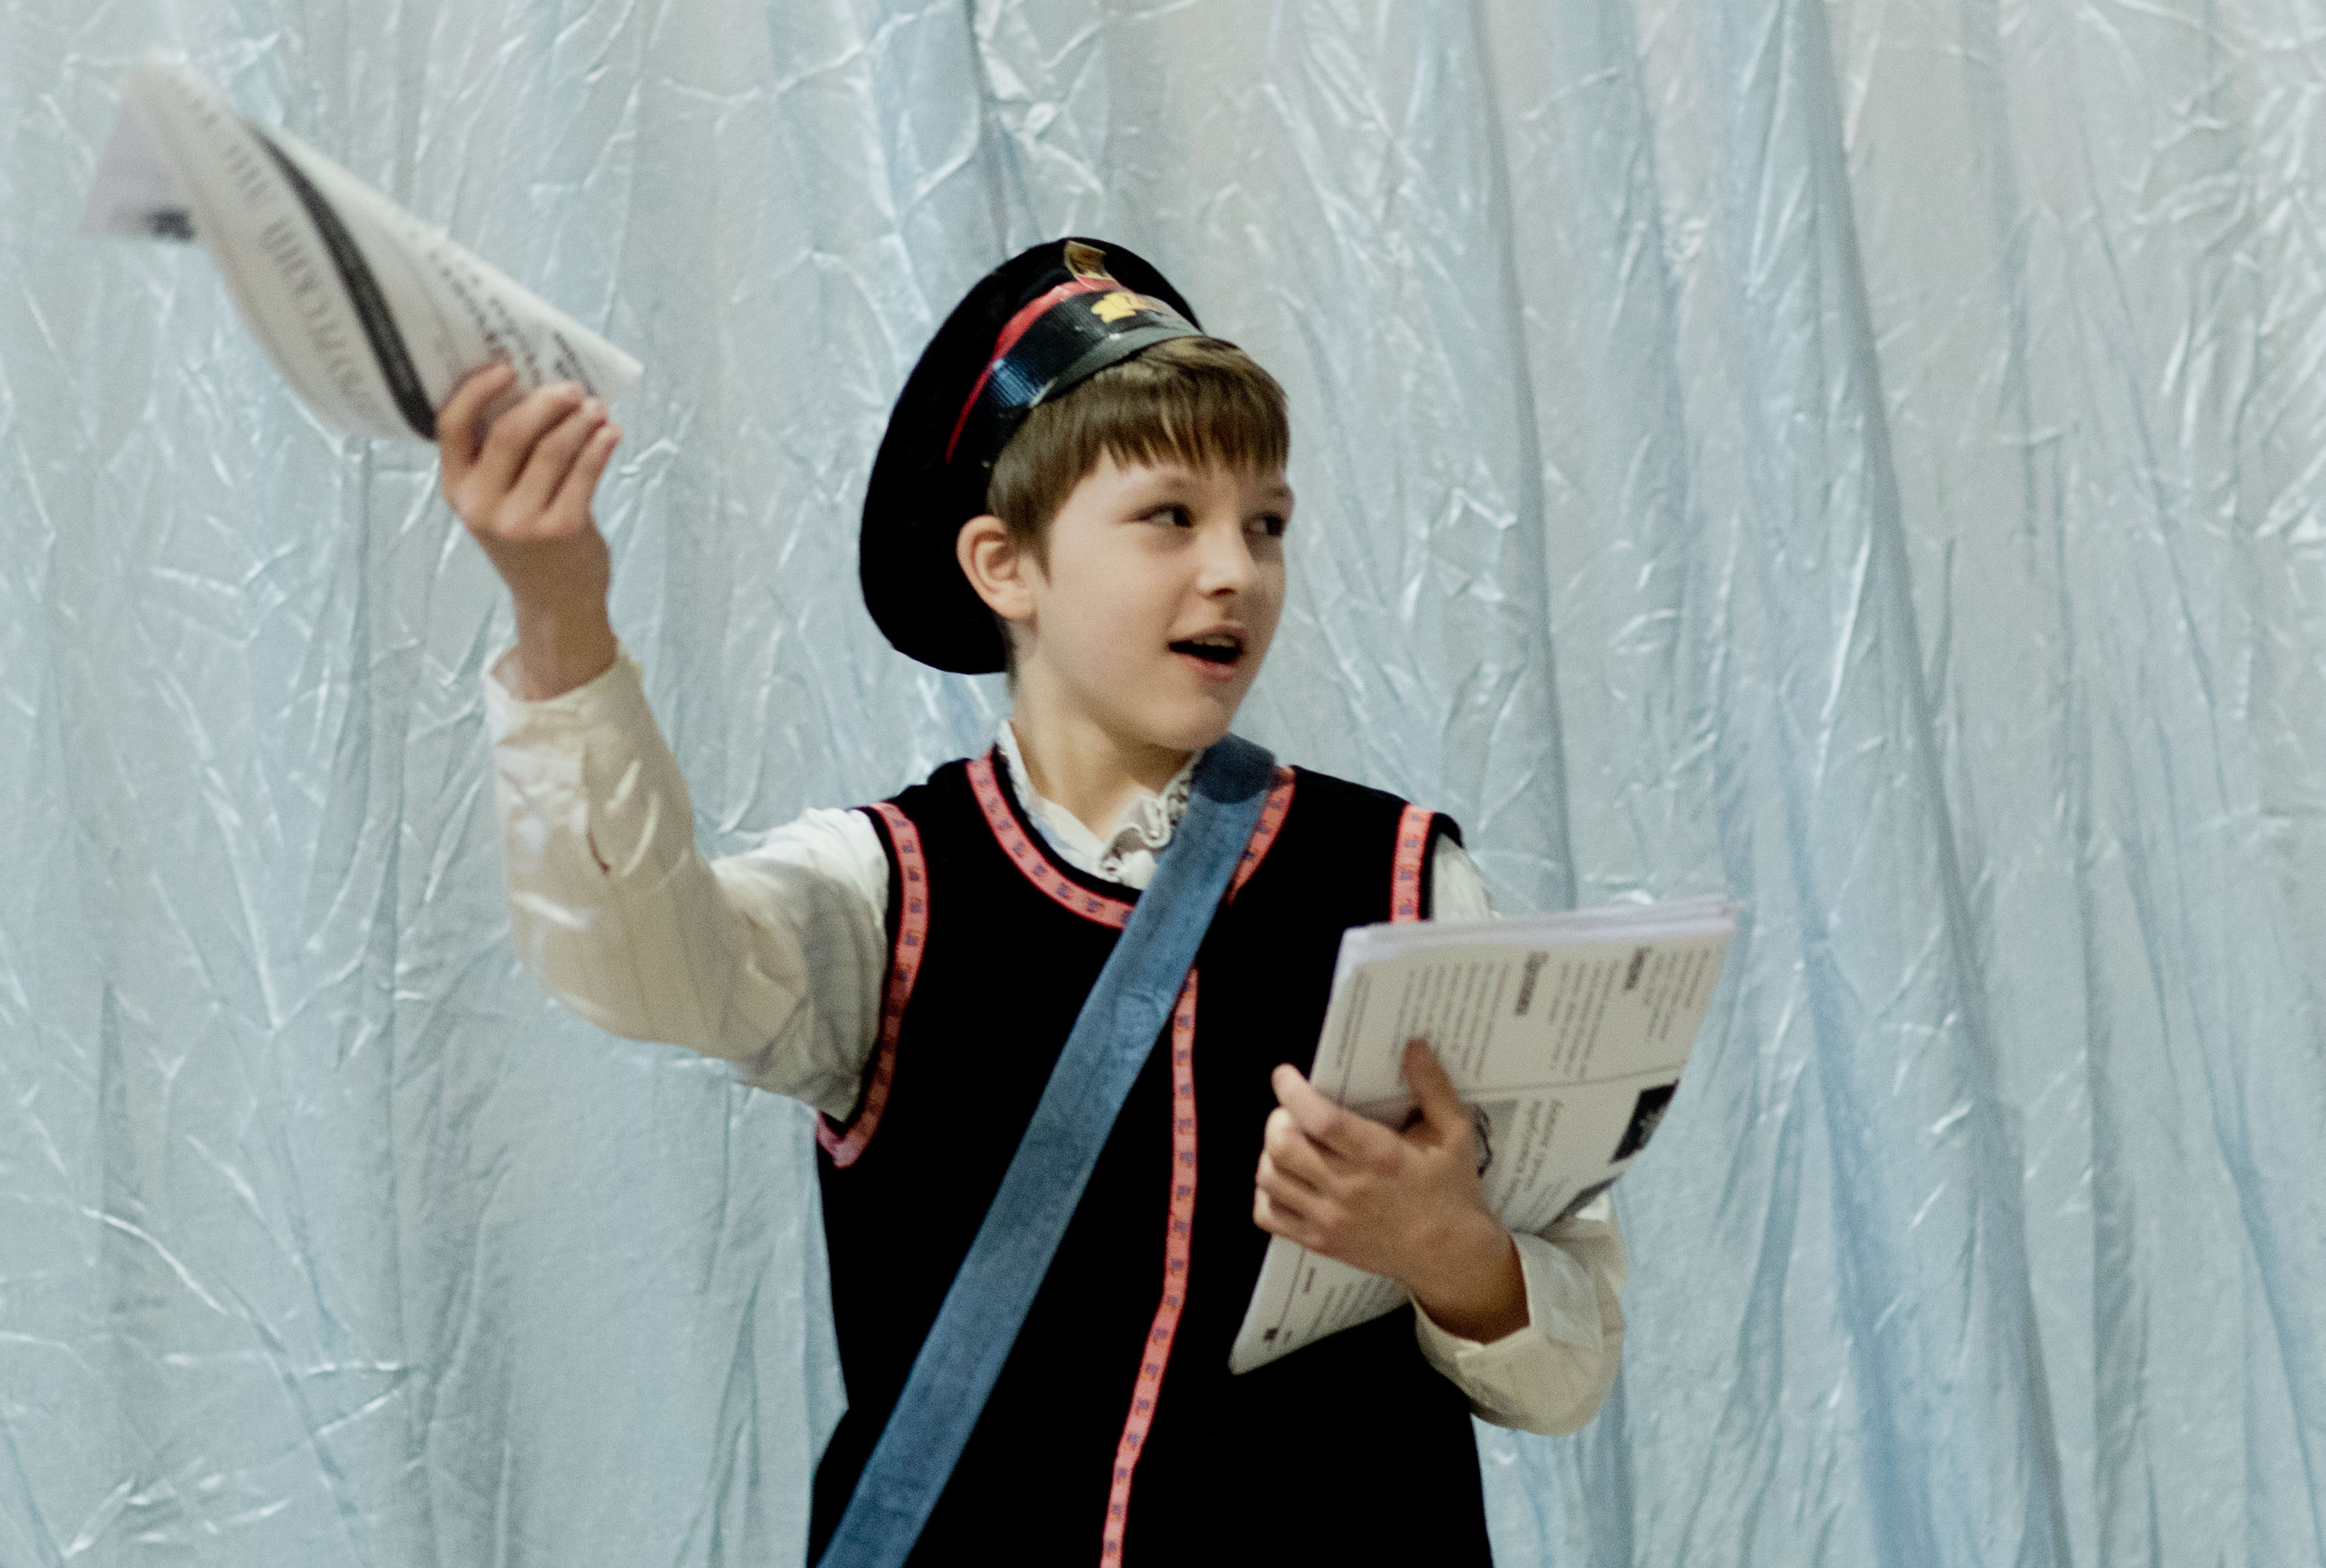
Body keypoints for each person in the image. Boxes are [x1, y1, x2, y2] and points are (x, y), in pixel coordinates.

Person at [441, 238, 1625, 1565]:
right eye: (1170, 516)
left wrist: (1453, 1250)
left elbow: (1570, 1367)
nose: (1235, 570)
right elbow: (636, 957)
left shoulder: (1405, 881)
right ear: (1006, 565)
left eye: (1266, 523)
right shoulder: (882, 891)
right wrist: (561, 616)